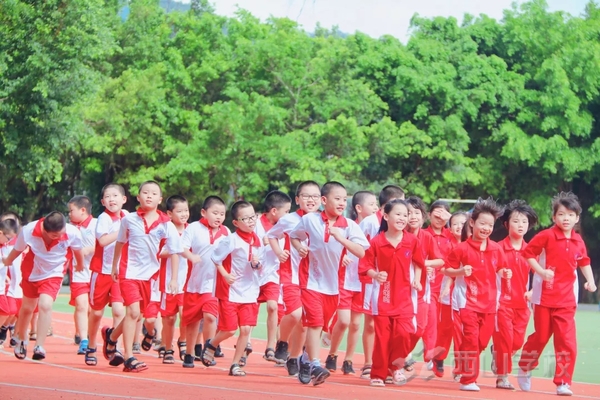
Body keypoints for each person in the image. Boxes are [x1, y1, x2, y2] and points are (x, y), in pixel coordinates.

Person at [290, 181, 370, 386]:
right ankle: (316, 364)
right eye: (337, 198)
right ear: (324, 200)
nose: (342, 203)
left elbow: (361, 252)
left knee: (321, 325)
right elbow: (294, 236)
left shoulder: (349, 226)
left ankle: (305, 360)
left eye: (344, 199)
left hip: (334, 286)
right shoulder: (310, 220)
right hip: (310, 281)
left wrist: (341, 238)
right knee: (315, 323)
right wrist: (299, 247)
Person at [517, 192, 597, 396]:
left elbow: (584, 261)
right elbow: (528, 254)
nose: (566, 218)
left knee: (567, 342)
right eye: (561, 214)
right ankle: (525, 366)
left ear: (577, 218)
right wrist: (541, 272)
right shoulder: (546, 236)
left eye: (570, 214)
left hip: (567, 300)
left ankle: (563, 382)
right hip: (544, 297)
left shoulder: (578, 241)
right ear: (554, 217)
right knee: (541, 336)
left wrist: (590, 281)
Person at [103, 180, 183, 372]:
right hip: (129, 272)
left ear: (160, 199)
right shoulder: (129, 220)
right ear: (138, 197)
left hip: (150, 276)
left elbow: (174, 252)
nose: (149, 196)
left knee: (137, 314)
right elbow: (120, 243)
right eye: (145, 193)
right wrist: (114, 266)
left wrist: (173, 279)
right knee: (132, 312)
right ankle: (129, 357)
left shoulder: (167, 225)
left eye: (154, 193)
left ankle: (111, 337)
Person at [444, 198, 511, 392]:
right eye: (482, 224)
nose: (486, 228)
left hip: (489, 304)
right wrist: (460, 271)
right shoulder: (461, 249)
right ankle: (468, 379)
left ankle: (465, 364)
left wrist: (505, 273)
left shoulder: (496, 249)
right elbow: (447, 270)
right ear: (472, 223)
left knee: (481, 341)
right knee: (471, 339)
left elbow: (501, 268)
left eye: (490, 225)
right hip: (468, 302)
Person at [359, 199, 425, 387]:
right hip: (383, 297)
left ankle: (395, 368)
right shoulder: (377, 242)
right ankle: (378, 374)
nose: (403, 218)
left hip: (405, 298)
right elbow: (365, 266)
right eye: (398, 214)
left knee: (405, 333)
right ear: (386, 216)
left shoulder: (412, 241)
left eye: (405, 215)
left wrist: (417, 280)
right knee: (382, 339)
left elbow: (419, 262)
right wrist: (375, 275)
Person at [3, 211, 84, 360]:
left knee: (45, 305)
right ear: (45, 231)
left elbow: (78, 250)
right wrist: (7, 261)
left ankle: (39, 346)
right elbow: (17, 250)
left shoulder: (72, 232)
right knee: (27, 308)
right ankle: (21, 339)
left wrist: (80, 264)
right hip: (32, 271)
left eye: (61, 233)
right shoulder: (29, 231)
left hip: (54, 273)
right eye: (55, 235)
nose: (60, 237)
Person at [200, 201, 264, 377]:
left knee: (246, 329)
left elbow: (260, 265)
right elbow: (215, 258)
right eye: (246, 218)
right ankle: (212, 344)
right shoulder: (231, 240)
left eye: (253, 217)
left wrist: (256, 264)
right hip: (231, 291)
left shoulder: (258, 241)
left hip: (250, 291)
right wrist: (225, 275)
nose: (251, 221)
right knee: (229, 329)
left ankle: (235, 364)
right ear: (236, 222)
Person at [267, 181, 321, 376]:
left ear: (321, 200)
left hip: (314, 279)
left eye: (315, 196)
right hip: (291, 275)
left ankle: (294, 356)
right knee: (296, 314)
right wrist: (279, 252)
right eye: (306, 196)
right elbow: (271, 235)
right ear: (297, 199)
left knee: (305, 323)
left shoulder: (323, 221)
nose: (311, 200)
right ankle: (282, 341)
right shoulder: (289, 220)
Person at [326, 190, 378, 374]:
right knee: (344, 321)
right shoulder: (346, 225)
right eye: (372, 204)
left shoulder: (375, 226)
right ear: (359, 208)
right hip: (344, 279)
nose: (376, 208)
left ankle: (348, 359)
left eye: (376, 204)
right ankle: (332, 353)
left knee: (356, 324)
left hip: (362, 280)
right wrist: (342, 257)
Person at [489, 200, 538, 389]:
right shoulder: (497, 248)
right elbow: (487, 271)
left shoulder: (531, 250)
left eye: (524, 222)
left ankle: (497, 354)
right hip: (501, 303)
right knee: (505, 340)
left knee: (516, 342)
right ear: (506, 224)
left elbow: (539, 274)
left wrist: (533, 291)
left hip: (523, 304)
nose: (520, 225)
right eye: (516, 221)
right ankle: (502, 377)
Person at [357, 184, 405, 378]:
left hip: (396, 284)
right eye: (399, 203)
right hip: (373, 280)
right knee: (371, 323)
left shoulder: (403, 226)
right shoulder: (370, 222)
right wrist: (370, 273)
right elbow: (359, 245)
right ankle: (369, 362)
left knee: (395, 327)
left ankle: (392, 363)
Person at [180, 196, 229, 368]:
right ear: (204, 212)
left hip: (214, 285)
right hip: (194, 283)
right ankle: (189, 353)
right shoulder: (194, 228)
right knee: (192, 321)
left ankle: (209, 350)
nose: (219, 217)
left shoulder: (226, 232)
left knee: (210, 316)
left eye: (222, 214)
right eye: (215, 213)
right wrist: (191, 256)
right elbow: (182, 247)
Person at [86, 183, 128, 367]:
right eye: (108, 197)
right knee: (96, 312)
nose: (112, 199)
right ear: (103, 202)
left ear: (124, 199)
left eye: (115, 196)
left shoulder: (127, 216)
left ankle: (114, 344)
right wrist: (122, 230)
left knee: (119, 310)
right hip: (102, 271)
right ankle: (91, 345)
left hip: (119, 272)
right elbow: (102, 241)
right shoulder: (103, 218)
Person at [404, 196, 445, 368]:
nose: (413, 216)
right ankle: (398, 359)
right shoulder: (399, 235)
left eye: (416, 213)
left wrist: (424, 263)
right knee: (402, 328)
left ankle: (403, 353)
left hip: (421, 290)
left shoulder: (427, 237)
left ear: (423, 216)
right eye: (409, 213)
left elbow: (440, 261)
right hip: (401, 290)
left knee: (419, 328)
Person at [254, 190, 291, 363]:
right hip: (252, 274)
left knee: (273, 306)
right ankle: (245, 343)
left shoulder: (286, 227)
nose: (288, 215)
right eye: (286, 211)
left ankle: (271, 346)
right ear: (274, 211)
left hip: (273, 274)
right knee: (250, 310)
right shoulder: (255, 223)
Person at [432, 211, 467, 378]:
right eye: (455, 224)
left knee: (462, 331)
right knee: (445, 329)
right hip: (447, 293)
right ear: (450, 228)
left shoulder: (473, 244)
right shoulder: (447, 244)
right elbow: (443, 267)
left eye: (463, 223)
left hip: (465, 294)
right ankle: (439, 357)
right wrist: (448, 283)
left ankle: (460, 367)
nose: (459, 227)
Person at [159, 195, 191, 364]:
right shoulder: (164, 229)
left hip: (187, 281)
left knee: (185, 314)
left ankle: (183, 341)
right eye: (180, 211)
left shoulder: (192, 230)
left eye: (186, 210)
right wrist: (175, 249)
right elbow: (159, 252)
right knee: (169, 318)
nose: (184, 214)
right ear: (170, 214)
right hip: (168, 281)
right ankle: (167, 347)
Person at [67, 195, 97, 355]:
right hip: (78, 273)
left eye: (71, 210)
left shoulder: (97, 224)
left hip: (95, 273)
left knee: (92, 309)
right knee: (81, 306)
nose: (69, 214)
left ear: (83, 210)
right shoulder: (69, 228)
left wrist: (89, 249)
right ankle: (84, 340)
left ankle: (90, 337)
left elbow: (105, 244)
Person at [0, 212, 22, 347]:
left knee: (7, 312)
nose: (8, 241)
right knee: (6, 311)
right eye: (8, 238)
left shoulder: (4, 247)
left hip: (3, 286)